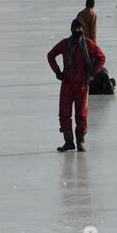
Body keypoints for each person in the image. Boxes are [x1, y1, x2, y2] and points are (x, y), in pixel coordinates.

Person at [47, 17, 106, 152]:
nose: (77, 30)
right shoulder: (65, 44)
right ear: (71, 29)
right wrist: (57, 72)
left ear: (83, 30)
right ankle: (68, 142)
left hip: (82, 86)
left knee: (81, 115)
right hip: (67, 84)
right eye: (75, 28)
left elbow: (101, 57)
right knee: (64, 114)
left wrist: (93, 73)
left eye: (79, 29)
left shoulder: (89, 44)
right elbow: (50, 55)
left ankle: (80, 142)